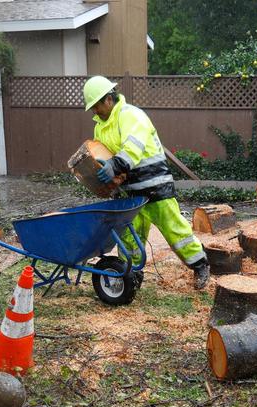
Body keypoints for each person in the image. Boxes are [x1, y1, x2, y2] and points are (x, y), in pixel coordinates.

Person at [83, 76, 210, 289]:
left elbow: (133, 147)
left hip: (154, 184)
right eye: (91, 108)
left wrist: (114, 165)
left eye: (96, 106)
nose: (94, 112)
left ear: (108, 99)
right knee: (131, 235)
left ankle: (200, 265)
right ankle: (132, 274)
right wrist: (103, 172)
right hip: (129, 191)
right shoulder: (100, 128)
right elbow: (105, 156)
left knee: (174, 229)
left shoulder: (131, 115)